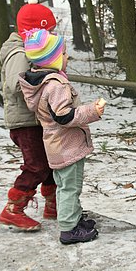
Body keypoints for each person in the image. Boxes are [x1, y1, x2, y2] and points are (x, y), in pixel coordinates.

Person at [18, 29, 104, 245]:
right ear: (52, 59)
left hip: (55, 144)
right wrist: (92, 111)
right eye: (64, 54)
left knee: (66, 184)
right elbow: (64, 116)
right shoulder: (56, 85)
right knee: (70, 186)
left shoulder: (41, 82)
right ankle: (68, 228)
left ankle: (73, 217)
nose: (67, 57)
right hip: (67, 146)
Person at [0, 0, 59, 231]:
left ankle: (52, 204)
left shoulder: (32, 50)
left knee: (51, 161)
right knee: (36, 166)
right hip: (24, 122)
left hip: (36, 119)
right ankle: (13, 208)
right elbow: (14, 85)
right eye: (49, 30)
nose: (52, 34)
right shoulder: (20, 53)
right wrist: (44, 83)